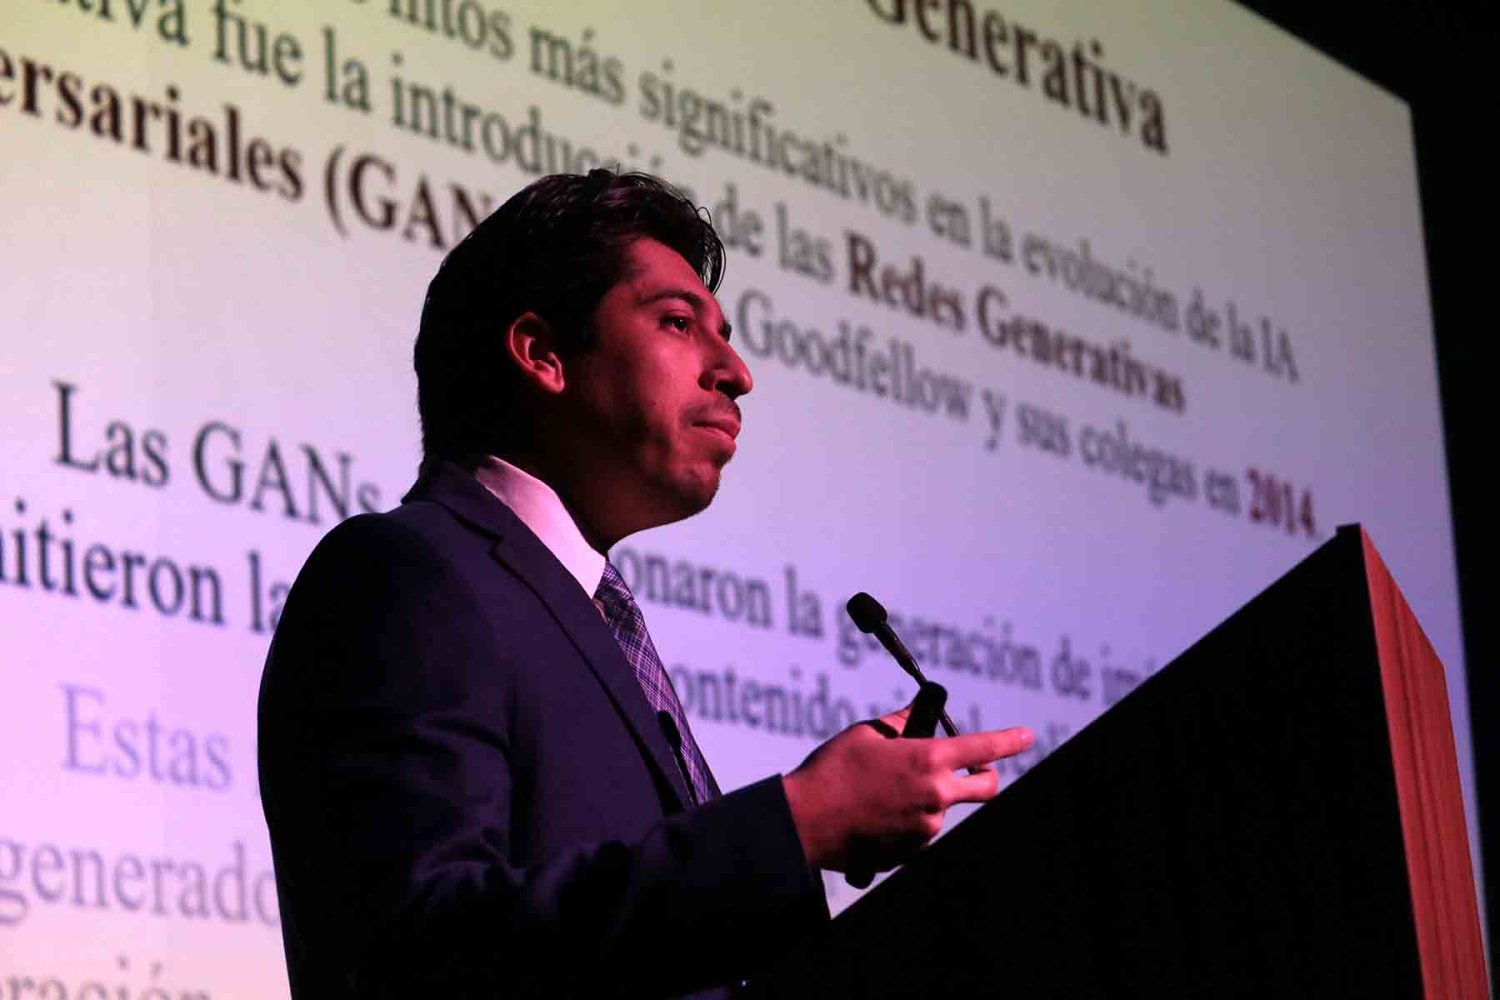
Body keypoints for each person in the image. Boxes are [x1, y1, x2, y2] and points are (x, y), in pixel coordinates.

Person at [257, 169, 1034, 999]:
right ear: (543, 353)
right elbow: (418, 949)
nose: (736, 371)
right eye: (678, 322)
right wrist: (796, 823)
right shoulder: (404, 574)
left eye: (724, 333)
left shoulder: (588, 612)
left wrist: (816, 833)